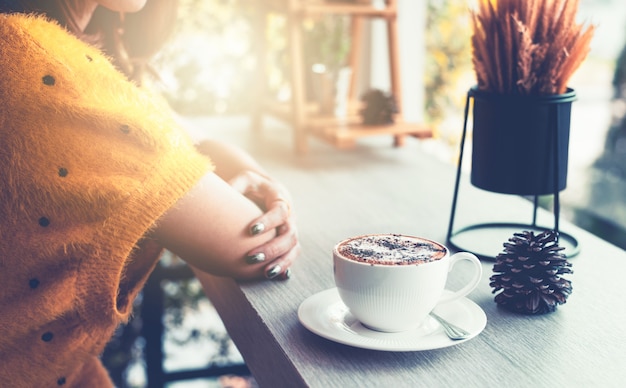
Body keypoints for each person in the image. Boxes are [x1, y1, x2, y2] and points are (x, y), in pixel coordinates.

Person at [0, 0, 300, 386]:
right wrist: (265, 195)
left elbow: (196, 138)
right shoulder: (27, 55)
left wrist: (257, 179)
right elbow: (248, 243)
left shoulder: (61, 43)